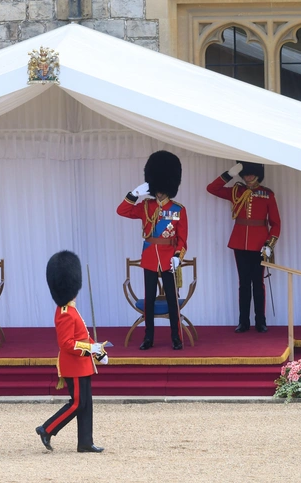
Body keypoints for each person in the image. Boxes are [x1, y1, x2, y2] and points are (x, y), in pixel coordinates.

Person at [36, 250, 106, 453]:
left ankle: (85, 442)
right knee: (77, 404)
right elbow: (66, 343)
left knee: (86, 405)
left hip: (83, 364)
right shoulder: (65, 313)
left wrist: (97, 349)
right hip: (73, 366)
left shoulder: (71, 309)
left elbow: (83, 336)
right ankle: (47, 429)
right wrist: (89, 348)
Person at [116, 150, 188, 351]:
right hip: (149, 257)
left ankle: (176, 337)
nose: (159, 192)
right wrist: (134, 194)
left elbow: (182, 239)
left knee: (172, 300)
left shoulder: (178, 209)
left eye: (162, 188)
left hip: (168, 259)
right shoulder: (145, 206)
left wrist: (177, 256)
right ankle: (148, 337)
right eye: (156, 187)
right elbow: (122, 210)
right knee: (149, 300)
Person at [207, 161, 281, 333]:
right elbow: (212, 188)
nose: (248, 176)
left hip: (259, 245)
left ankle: (260, 321)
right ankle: (243, 322)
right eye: (245, 173)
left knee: (258, 283)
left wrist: (269, 244)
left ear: (257, 174)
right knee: (244, 284)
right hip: (240, 242)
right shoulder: (236, 191)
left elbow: (276, 223)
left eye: (251, 173)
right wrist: (229, 174)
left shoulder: (267, 194)